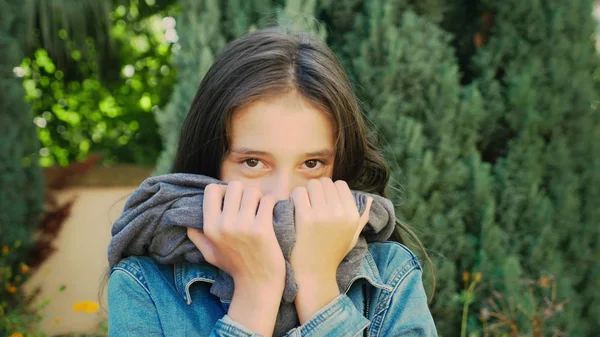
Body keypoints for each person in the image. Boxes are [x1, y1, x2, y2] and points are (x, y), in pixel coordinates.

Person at [107, 27, 438, 337]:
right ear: (212, 165)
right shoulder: (145, 285)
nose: (283, 194)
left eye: (311, 164)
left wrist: (318, 286)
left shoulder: (391, 275)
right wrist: (256, 292)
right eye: (253, 162)